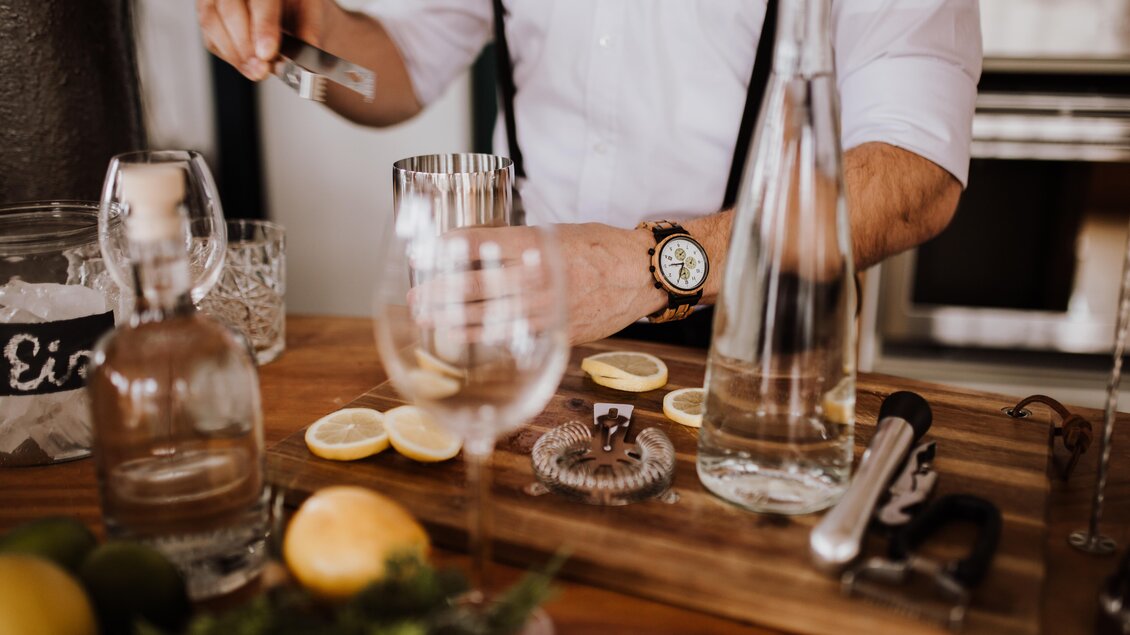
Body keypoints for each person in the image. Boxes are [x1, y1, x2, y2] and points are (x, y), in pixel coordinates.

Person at [196, 0, 982, 345]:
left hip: (753, 360)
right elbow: (398, 69)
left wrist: (653, 266)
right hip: (520, 337)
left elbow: (919, 171)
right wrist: (314, 33)